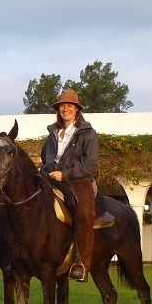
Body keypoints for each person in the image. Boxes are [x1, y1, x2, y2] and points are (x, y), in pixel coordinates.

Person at [39, 88, 100, 282]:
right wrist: (48, 170)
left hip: (79, 180)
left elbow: (90, 164)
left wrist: (64, 174)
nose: (65, 109)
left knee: (84, 213)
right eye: (62, 106)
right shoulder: (53, 132)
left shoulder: (88, 133)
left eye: (69, 105)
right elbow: (44, 155)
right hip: (50, 176)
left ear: (77, 109)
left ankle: (82, 263)